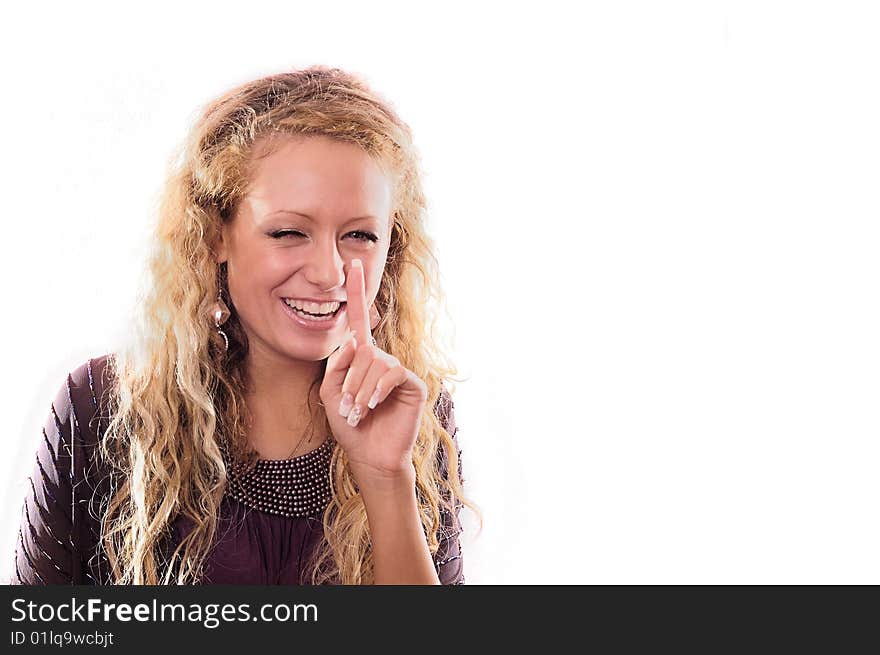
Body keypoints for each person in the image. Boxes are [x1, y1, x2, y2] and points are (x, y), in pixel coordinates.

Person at [11, 65, 478, 585]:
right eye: (287, 232)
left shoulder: (412, 417)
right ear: (216, 235)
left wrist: (386, 478)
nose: (328, 274)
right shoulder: (99, 409)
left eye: (360, 236)